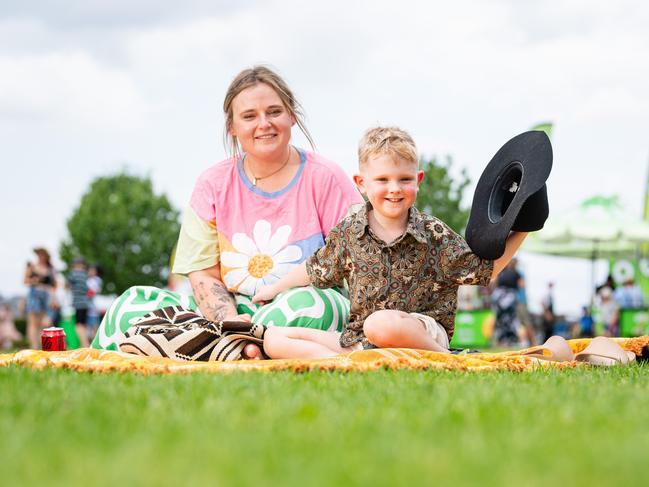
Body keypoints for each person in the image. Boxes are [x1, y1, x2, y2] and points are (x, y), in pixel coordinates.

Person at [91, 66, 363, 353]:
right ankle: (242, 348)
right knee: (130, 305)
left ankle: (219, 350)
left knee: (314, 306)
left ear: (292, 116)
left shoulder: (327, 177)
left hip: (297, 307)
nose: (264, 124)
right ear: (232, 126)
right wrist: (232, 323)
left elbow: (359, 258)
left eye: (274, 112)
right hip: (224, 316)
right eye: (249, 116)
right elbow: (204, 275)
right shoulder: (212, 183)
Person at [251, 126, 528, 359]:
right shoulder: (349, 233)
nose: (394, 188)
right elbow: (314, 268)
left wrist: (524, 229)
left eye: (404, 179)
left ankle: (448, 361)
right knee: (275, 338)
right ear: (362, 183)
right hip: (362, 340)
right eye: (382, 179)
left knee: (380, 323)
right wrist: (273, 288)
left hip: (420, 332)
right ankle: (349, 364)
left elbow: (483, 270)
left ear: (417, 181)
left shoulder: (433, 233)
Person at [23, 247, 57, 349]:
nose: (40, 257)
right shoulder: (32, 267)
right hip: (34, 294)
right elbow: (25, 281)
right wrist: (35, 280)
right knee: (33, 322)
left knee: (43, 323)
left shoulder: (51, 269)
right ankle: (34, 346)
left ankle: (42, 346)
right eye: (39, 255)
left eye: (42, 255)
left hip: (46, 295)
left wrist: (54, 298)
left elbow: (54, 285)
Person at [67, 258, 90, 348]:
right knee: (83, 324)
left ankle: (85, 344)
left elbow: (67, 284)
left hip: (78, 303)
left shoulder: (73, 274)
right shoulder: (85, 274)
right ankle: (83, 344)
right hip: (85, 303)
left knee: (78, 325)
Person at [86, 265, 103, 341]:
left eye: (93, 270)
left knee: (94, 325)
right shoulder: (88, 280)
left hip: (93, 308)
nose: (91, 272)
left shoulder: (96, 280)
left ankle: (95, 340)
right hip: (88, 307)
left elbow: (92, 292)